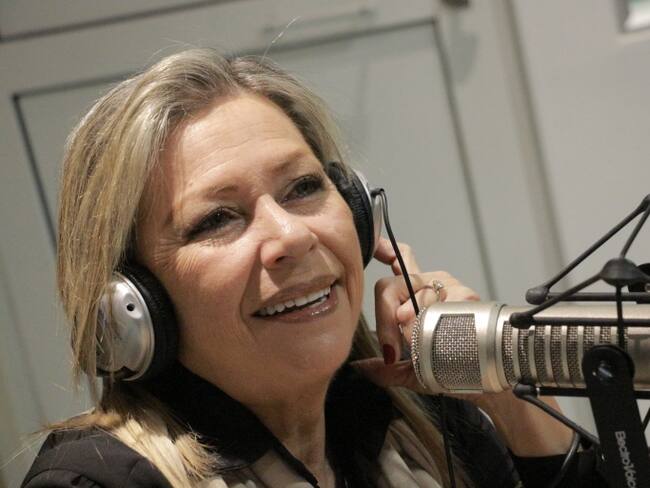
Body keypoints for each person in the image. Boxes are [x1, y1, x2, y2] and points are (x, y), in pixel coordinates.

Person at [21, 48, 605, 488]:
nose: (291, 235)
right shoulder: (97, 479)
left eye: (303, 187)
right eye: (217, 218)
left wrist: (504, 389)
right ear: (132, 305)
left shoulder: (432, 427)